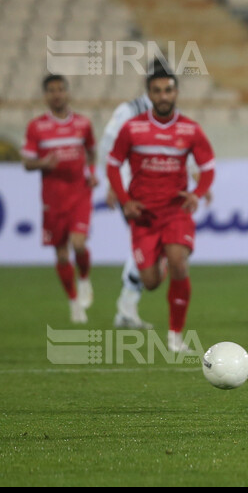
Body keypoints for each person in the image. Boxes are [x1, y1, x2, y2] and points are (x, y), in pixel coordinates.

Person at [105, 66, 216, 352]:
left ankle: (175, 338)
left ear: (176, 92)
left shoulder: (190, 129)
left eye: (168, 90)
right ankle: (164, 256)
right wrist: (124, 199)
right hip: (143, 214)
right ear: (149, 94)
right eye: (157, 91)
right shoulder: (133, 128)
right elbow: (113, 164)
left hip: (175, 210)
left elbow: (207, 167)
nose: (163, 96)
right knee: (151, 281)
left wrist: (198, 193)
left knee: (180, 262)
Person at [21, 74, 97, 323]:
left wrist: (92, 173)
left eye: (60, 89)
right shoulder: (36, 127)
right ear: (46, 95)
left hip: (79, 192)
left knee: (78, 244)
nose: (57, 94)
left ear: (68, 93)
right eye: (52, 90)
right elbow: (27, 163)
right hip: (52, 197)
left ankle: (84, 278)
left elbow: (92, 150)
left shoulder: (83, 123)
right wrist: (43, 162)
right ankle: (74, 302)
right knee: (62, 254)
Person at [98, 84, 153, 330]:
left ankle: (126, 308)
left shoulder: (172, 115)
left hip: (158, 191)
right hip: (132, 188)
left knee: (152, 247)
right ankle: (126, 307)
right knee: (147, 243)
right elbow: (107, 145)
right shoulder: (129, 110)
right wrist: (112, 181)